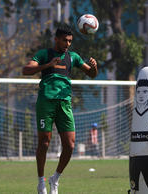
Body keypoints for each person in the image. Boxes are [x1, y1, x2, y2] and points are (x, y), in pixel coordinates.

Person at [22, 24, 98, 194]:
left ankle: (55, 178)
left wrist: (94, 67)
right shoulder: (44, 54)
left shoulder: (73, 57)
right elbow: (26, 70)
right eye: (65, 40)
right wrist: (48, 64)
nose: (68, 44)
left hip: (64, 103)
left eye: (70, 41)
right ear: (56, 39)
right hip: (46, 102)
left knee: (70, 145)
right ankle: (41, 182)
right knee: (44, 142)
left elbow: (91, 74)